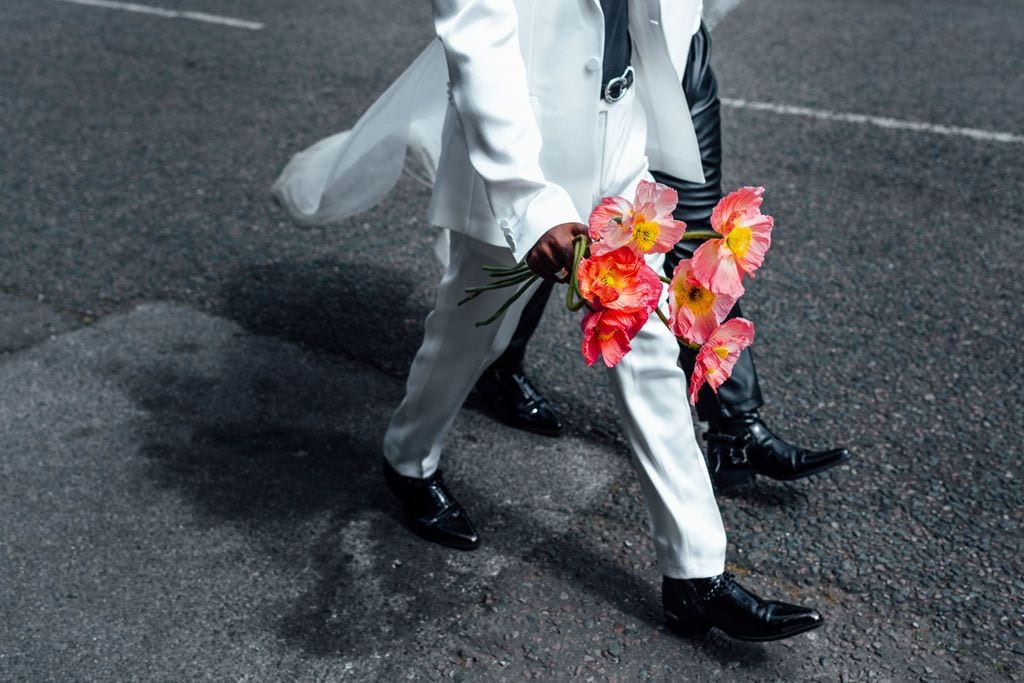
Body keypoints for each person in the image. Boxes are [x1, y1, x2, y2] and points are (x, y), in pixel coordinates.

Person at [276, 0, 823, 642]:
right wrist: (526, 198)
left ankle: (695, 575)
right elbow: (476, 37)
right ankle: (407, 460)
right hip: (522, 154)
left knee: (646, 347)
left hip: (619, 138)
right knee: (467, 333)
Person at [474, 18, 850, 493]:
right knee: (553, 231)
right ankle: (494, 363)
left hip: (679, 49)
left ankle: (736, 429)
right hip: (588, 57)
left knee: (696, 237)